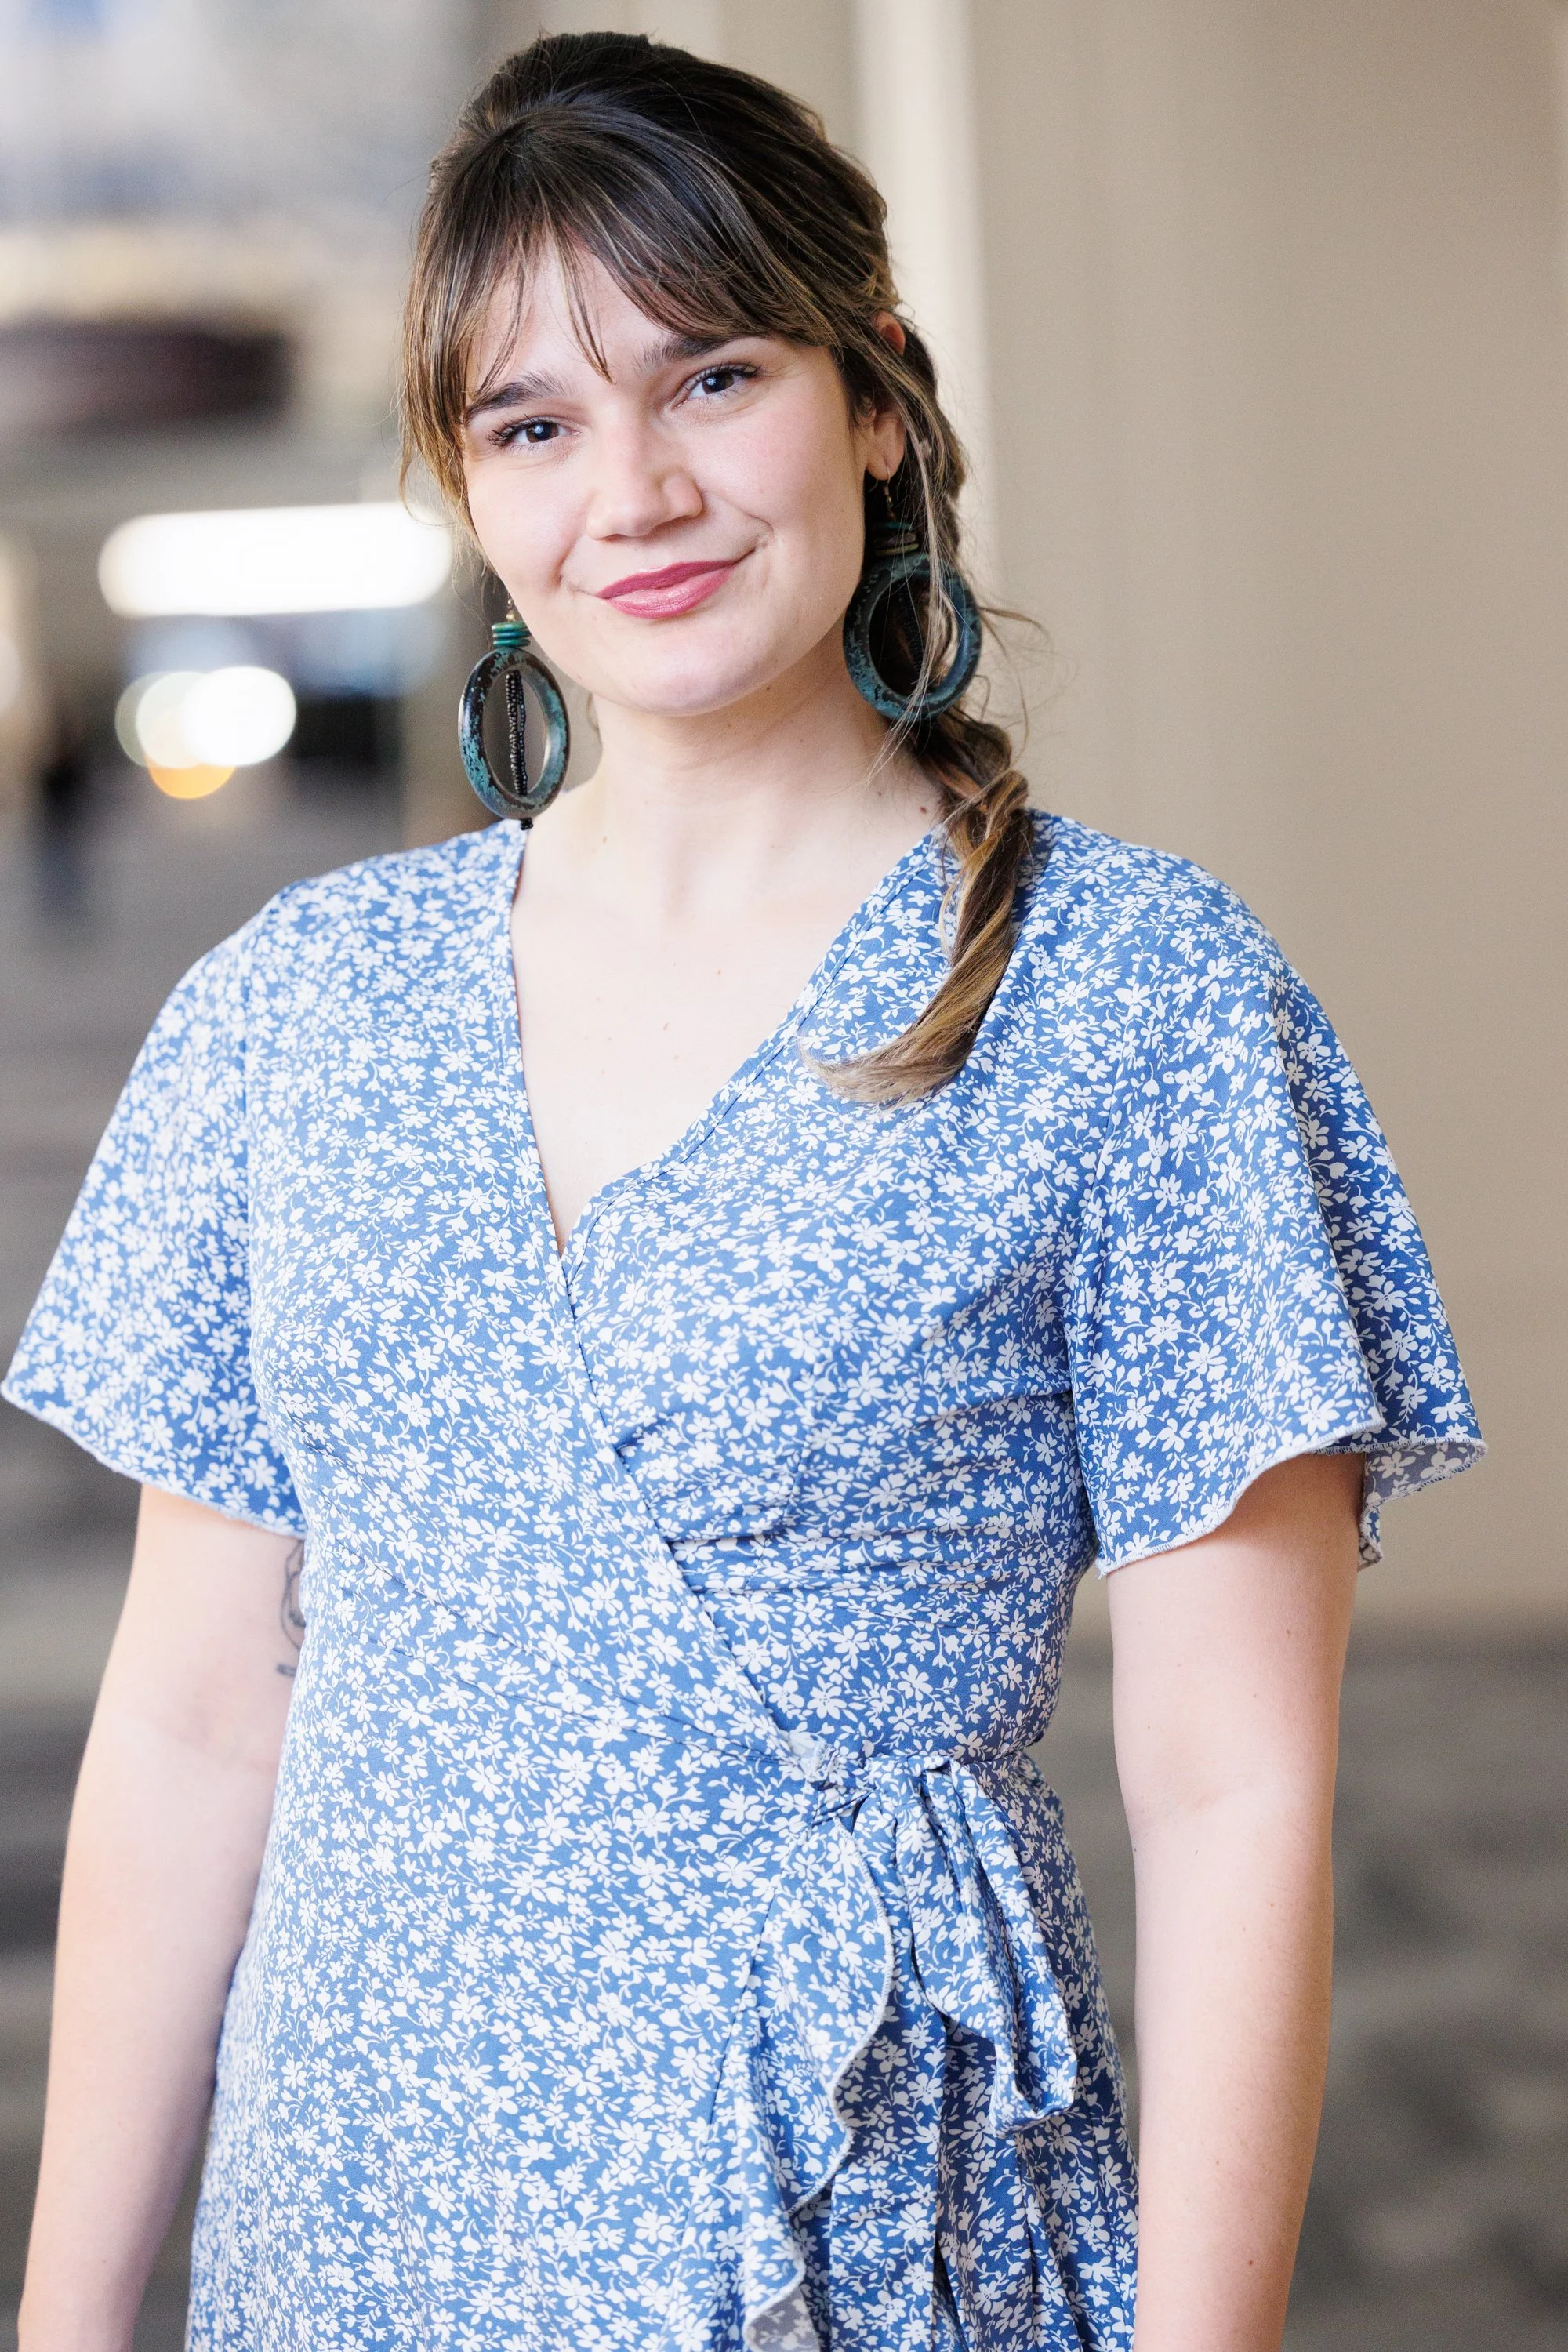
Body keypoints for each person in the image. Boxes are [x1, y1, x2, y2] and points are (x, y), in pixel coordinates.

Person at [6, 33, 1482, 2352]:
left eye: (713, 375)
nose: (639, 491)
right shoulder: (297, 1016)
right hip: (365, 2210)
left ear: (878, 392)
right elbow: (197, 1719)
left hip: (868, 2210)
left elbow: (1233, 1784)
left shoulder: (1137, 997)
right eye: (535, 422)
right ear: (465, 490)